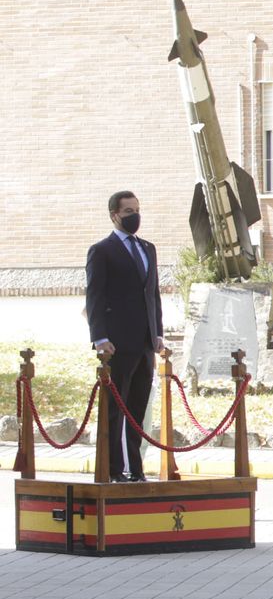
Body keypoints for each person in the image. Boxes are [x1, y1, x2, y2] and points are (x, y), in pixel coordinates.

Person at [86, 191, 165, 482]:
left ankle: (135, 468)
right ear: (114, 215)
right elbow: (94, 296)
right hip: (117, 344)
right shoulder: (102, 251)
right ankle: (115, 469)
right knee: (115, 410)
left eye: (137, 209)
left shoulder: (148, 248)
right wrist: (99, 337)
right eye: (129, 211)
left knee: (137, 409)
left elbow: (152, 294)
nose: (135, 216)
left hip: (145, 342)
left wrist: (158, 333)